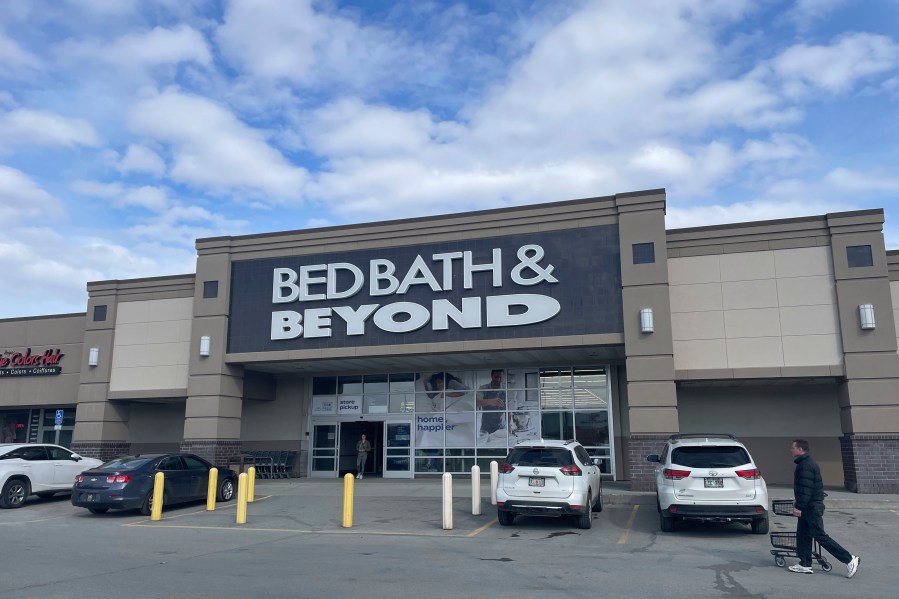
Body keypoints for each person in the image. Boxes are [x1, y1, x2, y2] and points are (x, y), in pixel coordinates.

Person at [788, 439, 860, 577]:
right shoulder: (806, 463)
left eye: (793, 447)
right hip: (810, 506)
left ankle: (849, 559)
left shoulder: (805, 466)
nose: (791, 450)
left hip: (811, 507)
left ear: (800, 450)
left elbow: (806, 489)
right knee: (803, 535)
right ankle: (805, 564)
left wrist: (799, 506)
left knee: (820, 536)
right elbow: (805, 488)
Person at [476, 369, 507, 445]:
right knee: (486, 447)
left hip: (501, 426)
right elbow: (476, 402)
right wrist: (491, 401)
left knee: (501, 447)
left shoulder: (505, 389)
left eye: (500, 377)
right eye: (496, 377)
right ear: (491, 376)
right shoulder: (484, 388)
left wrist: (509, 424)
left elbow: (509, 410)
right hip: (486, 426)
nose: (498, 379)